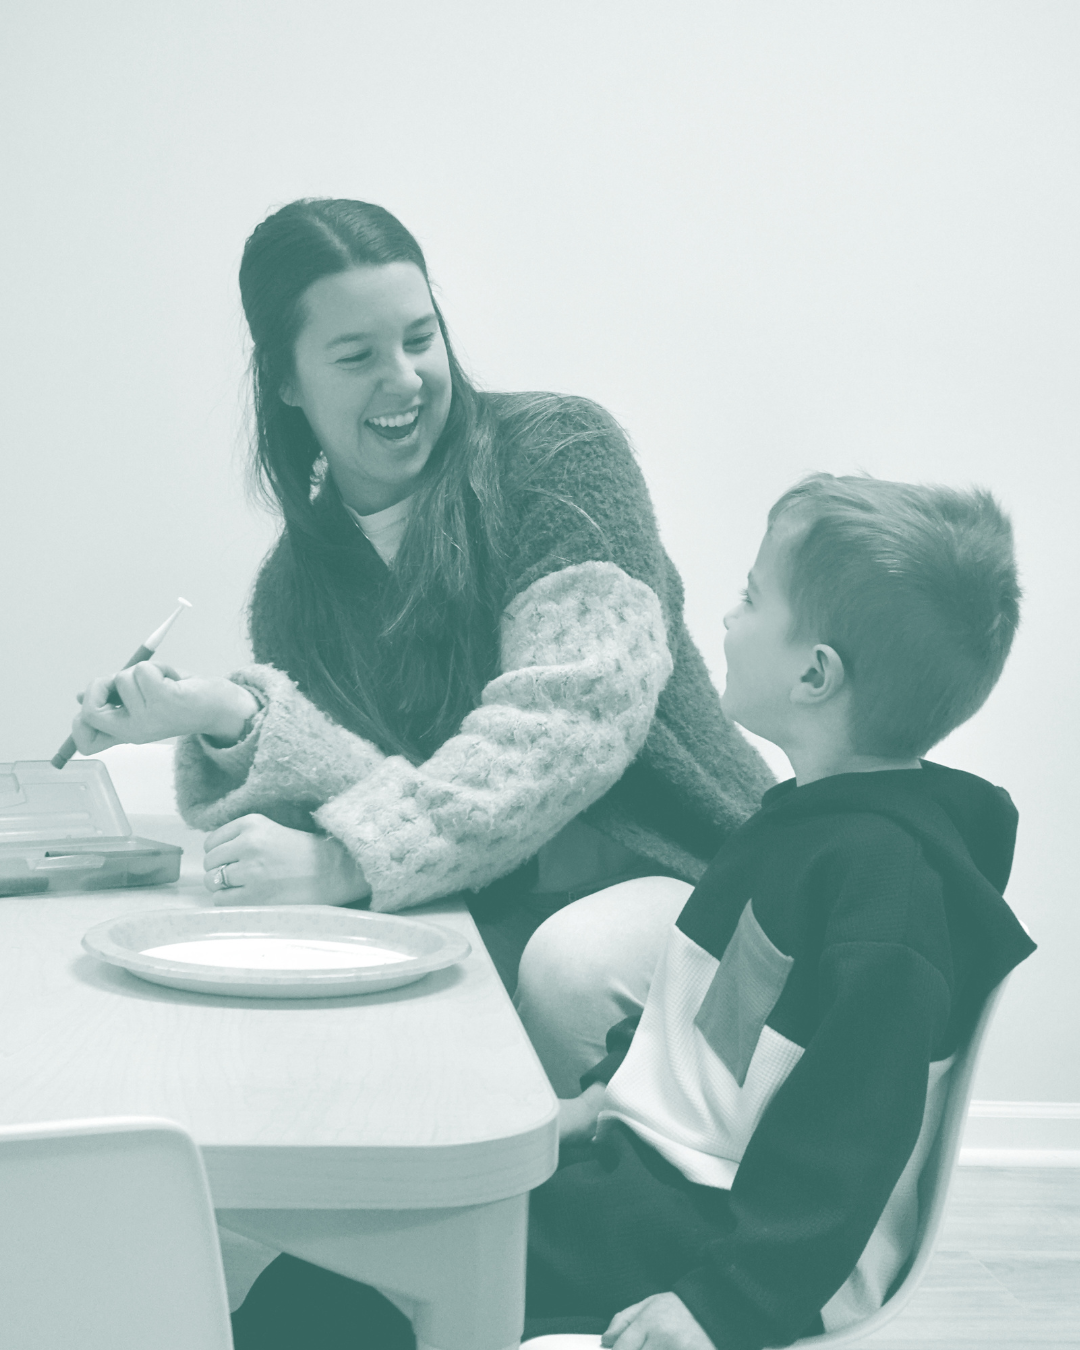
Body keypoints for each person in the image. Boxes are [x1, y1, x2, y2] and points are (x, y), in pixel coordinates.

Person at [230, 471, 1036, 1349]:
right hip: (660, 1182)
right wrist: (605, 1097)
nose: (727, 622)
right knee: (332, 1276)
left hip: (720, 1238)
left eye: (751, 601)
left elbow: (846, 1147)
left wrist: (720, 1306)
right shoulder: (800, 828)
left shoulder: (887, 896)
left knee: (346, 1295)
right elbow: (709, 1025)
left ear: (815, 673)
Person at [69, 197, 773, 1098]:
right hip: (491, 905)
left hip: (696, 876)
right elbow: (379, 789)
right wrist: (231, 717)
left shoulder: (561, 454)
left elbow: (571, 719)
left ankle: (534, 1225)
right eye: (357, 357)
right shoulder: (294, 588)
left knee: (567, 964)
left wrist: (351, 859)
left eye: (420, 337)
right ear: (286, 381)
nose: (403, 380)